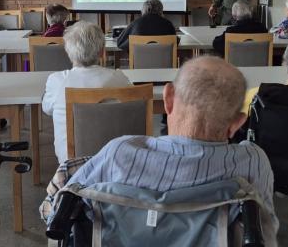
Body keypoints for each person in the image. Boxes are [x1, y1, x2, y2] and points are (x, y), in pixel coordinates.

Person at [64, 56, 275, 217]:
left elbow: (59, 210)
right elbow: (265, 226)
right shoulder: (253, 162)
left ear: (168, 99)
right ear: (237, 123)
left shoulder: (119, 153)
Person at [42, 21, 132, 163]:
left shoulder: (56, 81)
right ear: (103, 52)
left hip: (72, 166)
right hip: (114, 163)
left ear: (68, 51)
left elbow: (47, 109)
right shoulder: (119, 78)